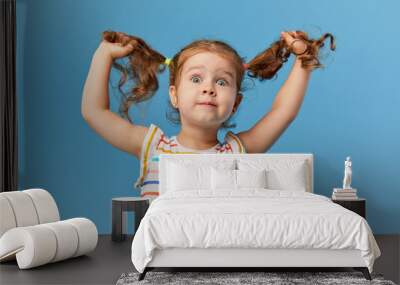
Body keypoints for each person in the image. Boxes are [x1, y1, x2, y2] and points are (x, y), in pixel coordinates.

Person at [81, 30, 335, 202]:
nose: (208, 87)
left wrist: (304, 59)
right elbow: (95, 112)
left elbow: (283, 112)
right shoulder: (153, 147)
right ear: (175, 95)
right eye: (195, 78)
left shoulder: (237, 150)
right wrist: (103, 54)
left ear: (235, 103)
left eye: (222, 81)